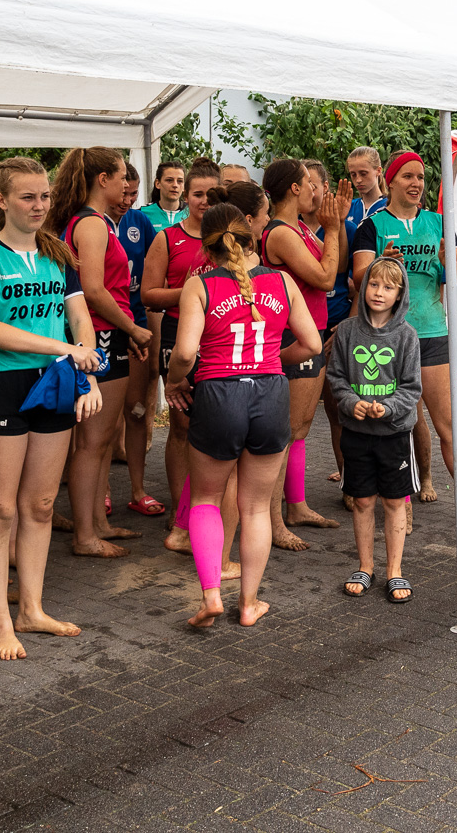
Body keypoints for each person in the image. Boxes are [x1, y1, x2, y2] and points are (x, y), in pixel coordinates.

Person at [0, 158, 103, 661]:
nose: (40, 205)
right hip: (1, 382)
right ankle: (0, 621)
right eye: (27, 196)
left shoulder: (58, 253)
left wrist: (86, 371)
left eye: (44, 196)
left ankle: (32, 609)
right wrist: (67, 351)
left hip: (56, 381)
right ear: (1, 200)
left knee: (41, 505)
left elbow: (80, 318)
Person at [165, 203, 321, 628]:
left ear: (205, 242)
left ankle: (212, 595)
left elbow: (183, 353)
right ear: (252, 232)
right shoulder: (283, 280)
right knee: (254, 508)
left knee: (206, 500)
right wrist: (271, 360)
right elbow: (312, 345)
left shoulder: (199, 285)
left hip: (218, 394)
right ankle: (249, 604)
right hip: (270, 393)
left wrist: (173, 382)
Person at [352, 151, 457, 533]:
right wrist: (381, 262)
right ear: (389, 181)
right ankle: (401, 508)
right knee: (397, 425)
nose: (416, 183)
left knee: (451, 426)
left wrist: (447, 260)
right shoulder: (372, 226)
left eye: (421, 177)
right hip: (387, 338)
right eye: (407, 176)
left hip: (432, 334)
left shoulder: (440, 222)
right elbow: (359, 276)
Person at [50, 148, 153, 558]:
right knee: (93, 442)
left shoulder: (98, 223)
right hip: (102, 337)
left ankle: (97, 523)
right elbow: (92, 290)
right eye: (121, 177)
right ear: (102, 180)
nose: (127, 185)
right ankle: (85, 535)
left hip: (109, 335)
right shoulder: (91, 225)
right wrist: (131, 328)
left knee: (103, 437)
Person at [260, 159, 349, 547]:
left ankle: (294, 506)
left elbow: (336, 264)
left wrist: (337, 226)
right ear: (295, 189)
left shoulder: (298, 228)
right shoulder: (281, 233)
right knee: (285, 433)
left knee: (299, 430)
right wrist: (331, 227)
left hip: (307, 334)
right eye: (309, 184)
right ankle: (274, 521)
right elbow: (326, 277)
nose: (317, 191)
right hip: (290, 339)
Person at [330, 257, 422, 603]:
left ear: (399, 295)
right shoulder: (348, 330)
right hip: (356, 433)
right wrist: (350, 402)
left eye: (387, 287)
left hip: (394, 435)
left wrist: (389, 407)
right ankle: (365, 566)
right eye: (373, 284)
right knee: (363, 500)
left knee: (395, 502)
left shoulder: (407, 336)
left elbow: (412, 388)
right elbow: (336, 376)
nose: (378, 292)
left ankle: (394, 570)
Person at [141, 159, 219, 551]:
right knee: (183, 426)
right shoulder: (167, 238)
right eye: (198, 193)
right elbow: (149, 295)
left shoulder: (231, 240)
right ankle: (180, 511)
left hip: (219, 337)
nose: (205, 201)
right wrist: (193, 292)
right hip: (178, 336)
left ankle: (206, 511)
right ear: (185, 196)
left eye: (211, 194)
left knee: (215, 429)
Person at [322, 146, 390, 484]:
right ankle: (352, 469)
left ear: (379, 171)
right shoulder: (348, 211)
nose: (358, 180)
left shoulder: (387, 210)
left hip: (375, 313)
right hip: (349, 304)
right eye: (352, 174)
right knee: (342, 402)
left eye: (364, 173)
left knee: (376, 398)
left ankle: (392, 473)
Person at [114, 164, 164, 516]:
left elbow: (150, 278)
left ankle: (138, 489)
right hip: (102, 329)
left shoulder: (139, 222)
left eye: (134, 194)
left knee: (137, 409)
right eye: (124, 193)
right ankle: (99, 489)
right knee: (98, 419)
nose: (128, 200)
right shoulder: (86, 223)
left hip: (136, 323)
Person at [140, 160, 186, 230]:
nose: (175, 185)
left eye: (180, 181)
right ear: (158, 184)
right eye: (169, 180)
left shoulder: (192, 213)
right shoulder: (143, 214)